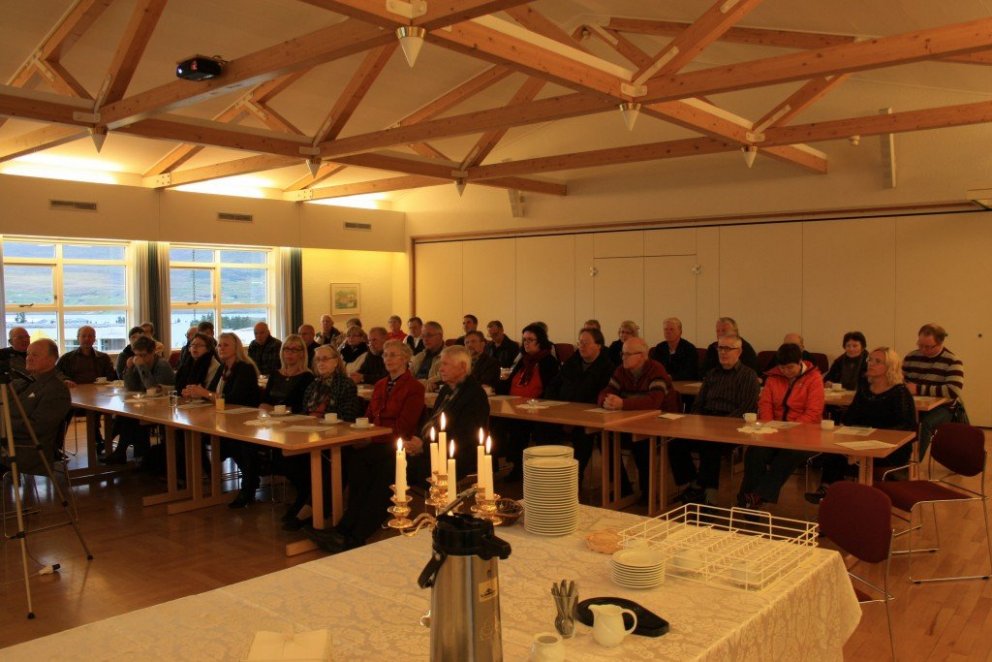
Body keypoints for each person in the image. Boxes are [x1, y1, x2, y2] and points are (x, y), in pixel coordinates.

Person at [305, 340, 425, 553]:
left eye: (393, 355)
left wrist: (372, 438)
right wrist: (363, 435)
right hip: (376, 442)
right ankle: (344, 529)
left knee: (380, 474)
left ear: (406, 358)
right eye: (385, 355)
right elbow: (368, 417)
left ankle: (356, 535)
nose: (388, 359)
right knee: (356, 463)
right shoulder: (380, 385)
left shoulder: (414, 387)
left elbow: (404, 427)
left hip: (396, 445)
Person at [806, 347, 917, 504]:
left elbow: (906, 427)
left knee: (844, 456)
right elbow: (850, 417)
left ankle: (844, 496)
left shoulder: (900, 392)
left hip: (890, 447)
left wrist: (873, 437)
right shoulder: (865, 387)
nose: (871, 364)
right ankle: (829, 491)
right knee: (834, 450)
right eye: (870, 360)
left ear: (890, 366)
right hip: (861, 440)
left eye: (877, 361)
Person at [668, 335, 760, 506]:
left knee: (710, 445)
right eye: (720, 348)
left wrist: (718, 426)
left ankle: (710, 497)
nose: (723, 352)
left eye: (728, 348)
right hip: (706, 422)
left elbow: (746, 409)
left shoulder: (748, 375)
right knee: (675, 443)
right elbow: (698, 404)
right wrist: (696, 423)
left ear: (739, 352)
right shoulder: (712, 374)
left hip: (732, 426)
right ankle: (695, 485)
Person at [281, 344, 363, 531]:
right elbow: (305, 413)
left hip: (336, 438)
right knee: (286, 458)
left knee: (327, 463)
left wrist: (319, 424)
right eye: (318, 359)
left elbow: (347, 417)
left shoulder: (346, 384)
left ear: (336, 362)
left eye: (325, 359)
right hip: (311, 435)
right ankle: (305, 497)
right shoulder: (313, 385)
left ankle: (315, 508)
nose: (321, 363)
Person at [737, 343, 824, 509]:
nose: (786, 371)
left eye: (790, 367)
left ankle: (756, 496)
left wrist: (790, 428)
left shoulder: (814, 378)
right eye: (782, 368)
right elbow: (765, 404)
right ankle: (748, 498)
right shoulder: (773, 377)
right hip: (774, 431)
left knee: (788, 455)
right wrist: (770, 426)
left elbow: (813, 413)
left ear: (800, 362)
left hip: (804, 434)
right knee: (755, 452)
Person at [184, 332, 262, 507]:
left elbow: (233, 398)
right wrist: (195, 393)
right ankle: (207, 479)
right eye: (219, 345)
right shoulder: (223, 368)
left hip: (246, 420)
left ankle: (249, 484)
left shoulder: (245, 368)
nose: (221, 348)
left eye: (226, 345)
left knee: (235, 443)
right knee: (195, 434)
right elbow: (213, 393)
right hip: (226, 419)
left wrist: (205, 393)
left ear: (236, 348)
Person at [599, 337, 679, 498]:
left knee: (641, 442)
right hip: (632, 420)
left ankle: (648, 493)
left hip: (661, 423)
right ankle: (623, 487)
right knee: (605, 438)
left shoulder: (656, 369)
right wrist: (606, 401)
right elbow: (606, 391)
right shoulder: (621, 371)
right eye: (622, 353)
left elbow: (654, 402)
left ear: (642, 356)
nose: (623, 357)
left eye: (628, 354)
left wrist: (623, 404)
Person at [546, 326, 615, 482]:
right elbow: (553, 385)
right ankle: (548, 474)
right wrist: (552, 406)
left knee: (583, 436)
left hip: (589, 417)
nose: (581, 346)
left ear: (598, 345)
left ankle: (573, 479)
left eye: (585, 343)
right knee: (543, 429)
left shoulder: (607, 368)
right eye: (579, 342)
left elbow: (600, 396)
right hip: (562, 413)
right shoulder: (571, 363)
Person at [495, 323, 561, 480]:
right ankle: (509, 465)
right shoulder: (522, 360)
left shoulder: (548, 361)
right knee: (496, 423)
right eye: (524, 339)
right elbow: (509, 383)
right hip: (515, 406)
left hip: (538, 409)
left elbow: (551, 390)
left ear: (540, 341)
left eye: (530, 340)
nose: (526, 343)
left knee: (523, 428)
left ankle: (535, 471)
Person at [0, 339, 71, 476]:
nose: (29, 358)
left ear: (51, 360)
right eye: (28, 354)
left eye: (35, 355)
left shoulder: (56, 390)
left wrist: (3, 425)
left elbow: (36, 428)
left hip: (25, 450)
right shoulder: (22, 382)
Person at [417, 345, 490, 478]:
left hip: (455, 456)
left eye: (445, 364)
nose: (440, 369)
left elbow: (465, 436)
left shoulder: (475, 394)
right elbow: (433, 420)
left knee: (394, 468)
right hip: (432, 449)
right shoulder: (446, 389)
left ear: (462, 367)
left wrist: (424, 447)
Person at [103, 336, 176, 464]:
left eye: (143, 355)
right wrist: (129, 369)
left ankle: (118, 450)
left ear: (152, 352)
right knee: (124, 415)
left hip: (164, 408)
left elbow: (153, 389)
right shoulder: (137, 362)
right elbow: (131, 387)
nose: (139, 358)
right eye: (136, 355)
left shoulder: (162, 365)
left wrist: (142, 367)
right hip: (147, 405)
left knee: (129, 418)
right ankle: (118, 449)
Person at [902, 323, 966, 460]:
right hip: (913, 404)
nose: (923, 349)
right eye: (920, 345)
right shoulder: (911, 357)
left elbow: (953, 391)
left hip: (943, 408)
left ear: (940, 343)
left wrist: (918, 389)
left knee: (924, 424)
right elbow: (901, 380)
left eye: (928, 347)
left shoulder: (953, 361)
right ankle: (892, 461)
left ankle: (912, 463)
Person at [410, 321, 444, 390]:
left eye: (429, 335)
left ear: (440, 336)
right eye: (423, 336)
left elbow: (442, 377)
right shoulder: (419, 356)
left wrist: (415, 384)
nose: (425, 339)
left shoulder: (448, 356)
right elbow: (408, 376)